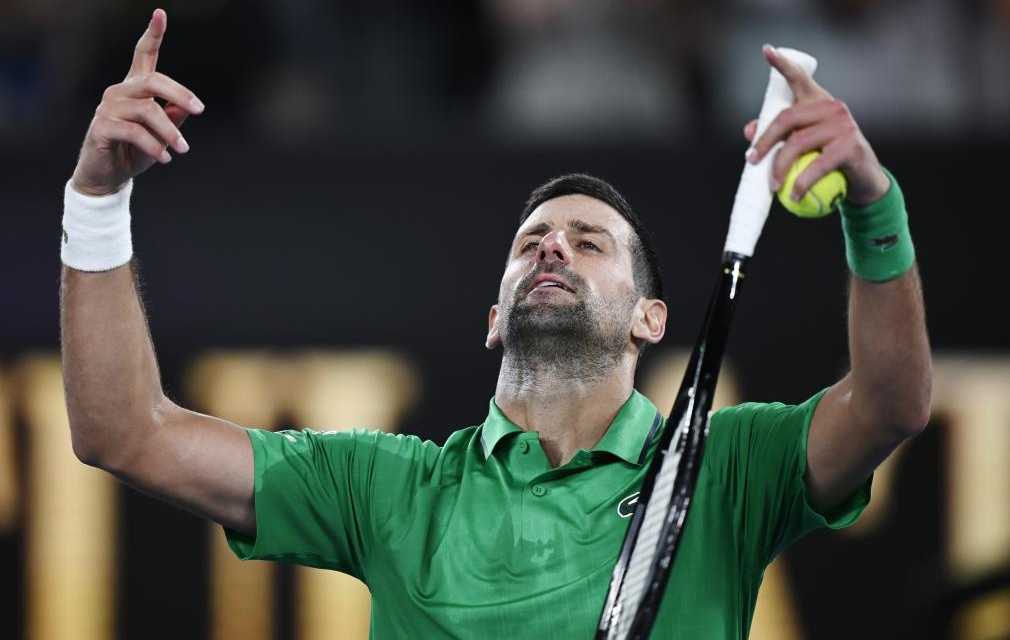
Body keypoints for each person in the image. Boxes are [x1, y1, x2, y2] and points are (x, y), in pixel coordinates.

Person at [61, 9, 931, 639]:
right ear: (493, 319)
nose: (553, 248)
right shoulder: (386, 488)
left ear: (649, 319)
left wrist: (871, 201)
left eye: (589, 242)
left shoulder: (728, 470)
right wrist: (97, 199)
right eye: (531, 242)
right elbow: (126, 434)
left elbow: (891, 403)